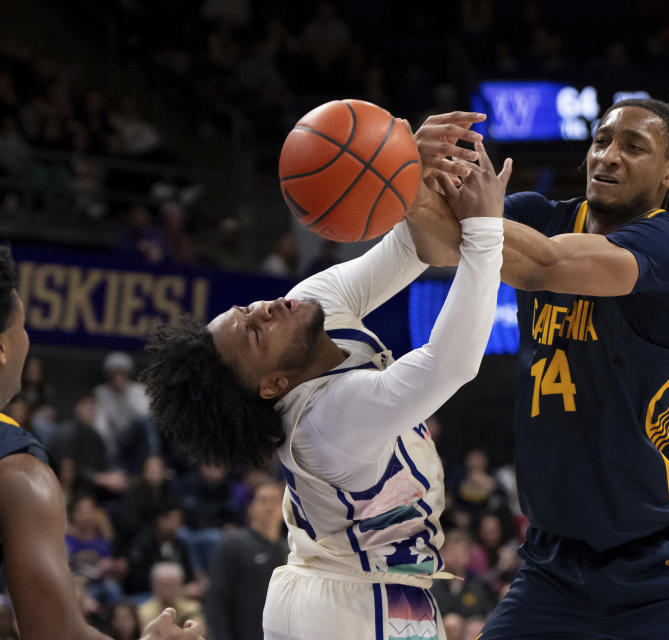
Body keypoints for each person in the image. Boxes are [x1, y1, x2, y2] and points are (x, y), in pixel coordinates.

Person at [140, 113, 508, 639]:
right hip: (354, 602)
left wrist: (401, 162)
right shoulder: (324, 422)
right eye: (255, 333)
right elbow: (449, 362)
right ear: (272, 387)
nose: (266, 308)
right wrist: (486, 230)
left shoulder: (314, 302)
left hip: (346, 591)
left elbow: (412, 249)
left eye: (248, 309)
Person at [412, 98, 669, 638]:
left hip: (667, 562)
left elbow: (548, 263)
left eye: (633, 147)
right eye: (601, 141)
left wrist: (474, 218)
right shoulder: (538, 215)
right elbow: (435, 243)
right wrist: (406, 167)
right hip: (553, 569)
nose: (609, 156)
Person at [0, 244, 203, 639]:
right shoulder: (17, 471)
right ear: (3, 348)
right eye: (23, 328)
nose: (28, 341)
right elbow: (53, 635)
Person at [205, 480, 288, 640]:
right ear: (250, 508)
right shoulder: (232, 544)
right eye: (263, 500)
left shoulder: (290, 551)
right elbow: (216, 601)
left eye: (275, 501)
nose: (269, 507)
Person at [137, 563, 205, 631]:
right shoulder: (144, 611)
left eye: (171, 585)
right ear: (154, 587)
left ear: (180, 586)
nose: (167, 590)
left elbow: (198, 632)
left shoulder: (192, 609)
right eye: (163, 585)